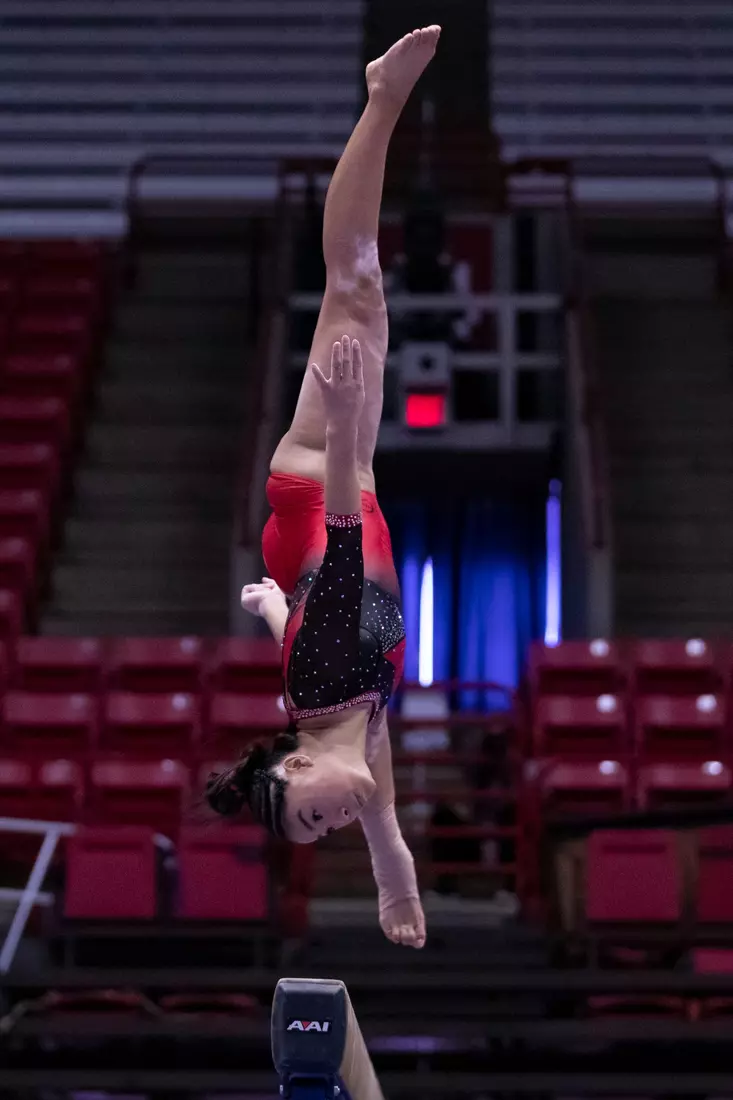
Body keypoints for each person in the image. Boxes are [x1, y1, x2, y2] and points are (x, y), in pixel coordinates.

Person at [206, 26, 443, 950]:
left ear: (297, 767)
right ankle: (380, 101)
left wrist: (343, 421)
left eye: (312, 815)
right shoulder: (353, 734)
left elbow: (343, 531)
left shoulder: (329, 682)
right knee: (361, 289)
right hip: (315, 517)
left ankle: (381, 97)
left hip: (321, 477)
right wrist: (397, 899)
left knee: (356, 283)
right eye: (323, 832)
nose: (335, 821)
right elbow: (386, 832)